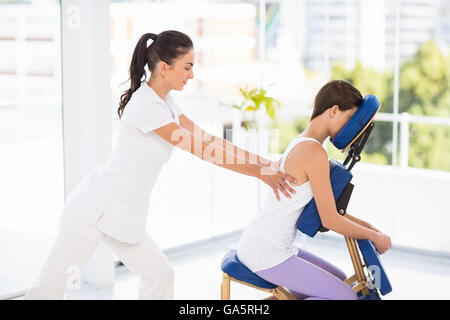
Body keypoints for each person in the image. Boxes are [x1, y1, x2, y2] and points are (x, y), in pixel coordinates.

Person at [23, 30, 297, 300]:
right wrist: (262, 173)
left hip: (122, 215)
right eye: (187, 67)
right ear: (164, 68)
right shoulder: (146, 106)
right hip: (92, 209)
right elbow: (203, 150)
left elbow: (208, 139)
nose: (192, 75)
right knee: (47, 292)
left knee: (160, 275)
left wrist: (265, 162)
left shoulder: (165, 102)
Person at [236, 80, 392, 300]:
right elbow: (330, 219)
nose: (351, 128)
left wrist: (372, 230)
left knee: (339, 279)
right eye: (350, 119)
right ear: (334, 111)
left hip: (267, 245)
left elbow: (330, 211)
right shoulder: (313, 152)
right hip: (266, 253)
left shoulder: (302, 142)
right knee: (346, 297)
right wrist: (373, 235)